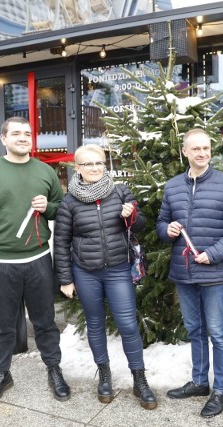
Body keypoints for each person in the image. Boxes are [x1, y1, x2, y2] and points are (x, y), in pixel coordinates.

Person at [0, 116, 70, 405]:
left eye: (27, 133)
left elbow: (62, 211)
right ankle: (2, 374)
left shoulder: (45, 171)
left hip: (38, 259)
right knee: (3, 324)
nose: (23, 137)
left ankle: (53, 369)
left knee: (45, 321)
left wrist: (47, 206)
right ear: (4, 139)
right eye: (16, 133)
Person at [156, 128, 223, 418]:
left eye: (206, 148)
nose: (202, 153)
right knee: (195, 331)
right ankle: (199, 382)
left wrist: (215, 254)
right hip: (184, 273)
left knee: (218, 334)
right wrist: (167, 230)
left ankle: (219, 389)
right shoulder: (172, 186)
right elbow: (161, 222)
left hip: (214, 273)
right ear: (185, 151)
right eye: (195, 148)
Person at [54, 144, 157, 410]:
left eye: (99, 163)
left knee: (127, 325)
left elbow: (142, 225)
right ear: (77, 168)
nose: (95, 168)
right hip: (85, 272)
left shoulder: (120, 191)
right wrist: (65, 279)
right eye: (87, 164)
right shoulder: (69, 201)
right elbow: (61, 241)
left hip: (118, 270)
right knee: (95, 323)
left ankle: (139, 378)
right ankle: (105, 375)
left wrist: (132, 215)